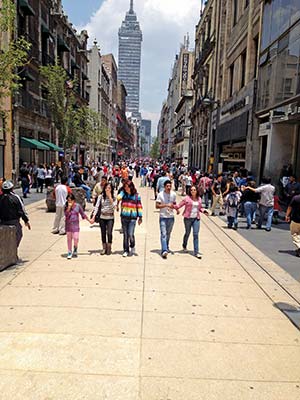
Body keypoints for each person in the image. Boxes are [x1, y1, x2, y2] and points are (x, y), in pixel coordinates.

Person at [174, 185, 208, 259]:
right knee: (187, 233)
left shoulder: (199, 199)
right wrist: (174, 207)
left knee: (196, 234)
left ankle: (196, 252)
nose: (193, 191)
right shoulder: (187, 199)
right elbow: (179, 205)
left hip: (196, 219)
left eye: (194, 190)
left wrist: (204, 211)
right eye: (191, 190)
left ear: (197, 191)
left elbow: (200, 208)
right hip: (188, 219)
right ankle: (184, 245)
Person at [0, 180, 31, 250]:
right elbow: (22, 210)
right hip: (14, 222)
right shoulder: (16, 197)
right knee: (18, 235)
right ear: (12, 188)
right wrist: (26, 220)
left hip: (2, 221)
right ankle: (13, 250)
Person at [117, 180, 143, 257]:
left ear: (131, 187)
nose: (126, 188)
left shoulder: (136, 196)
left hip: (133, 218)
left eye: (127, 187)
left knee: (130, 234)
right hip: (124, 217)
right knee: (125, 235)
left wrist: (140, 217)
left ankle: (132, 245)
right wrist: (122, 192)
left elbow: (139, 207)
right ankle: (126, 250)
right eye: (125, 187)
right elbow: (118, 198)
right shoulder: (123, 194)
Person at [91, 182, 116, 255]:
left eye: (109, 188)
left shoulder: (114, 197)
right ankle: (104, 248)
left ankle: (109, 246)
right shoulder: (101, 196)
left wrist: (110, 197)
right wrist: (93, 216)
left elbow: (115, 207)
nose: (107, 189)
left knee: (109, 233)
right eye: (106, 188)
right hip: (102, 217)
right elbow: (97, 206)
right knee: (103, 233)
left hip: (110, 217)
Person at [64, 193, 92, 259]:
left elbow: (83, 214)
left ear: (74, 200)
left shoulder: (78, 206)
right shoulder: (66, 207)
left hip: (75, 226)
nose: (69, 202)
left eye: (71, 200)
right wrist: (68, 208)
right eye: (68, 200)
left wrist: (89, 220)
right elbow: (66, 215)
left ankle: (75, 248)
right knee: (69, 239)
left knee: (76, 238)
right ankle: (69, 251)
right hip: (68, 225)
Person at [156, 180, 177, 259]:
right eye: (167, 186)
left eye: (170, 186)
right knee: (163, 234)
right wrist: (165, 205)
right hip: (163, 217)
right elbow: (157, 206)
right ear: (164, 187)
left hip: (171, 217)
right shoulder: (160, 195)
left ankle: (166, 246)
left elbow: (174, 203)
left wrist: (176, 209)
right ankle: (164, 250)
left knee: (168, 234)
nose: (168, 187)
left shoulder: (173, 194)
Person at [285, 189, 300, 257]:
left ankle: (299, 247)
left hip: (296, 219)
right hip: (296, 219)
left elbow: (290, 207)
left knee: (295, 234)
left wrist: (287, 215)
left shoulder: (296, 198)